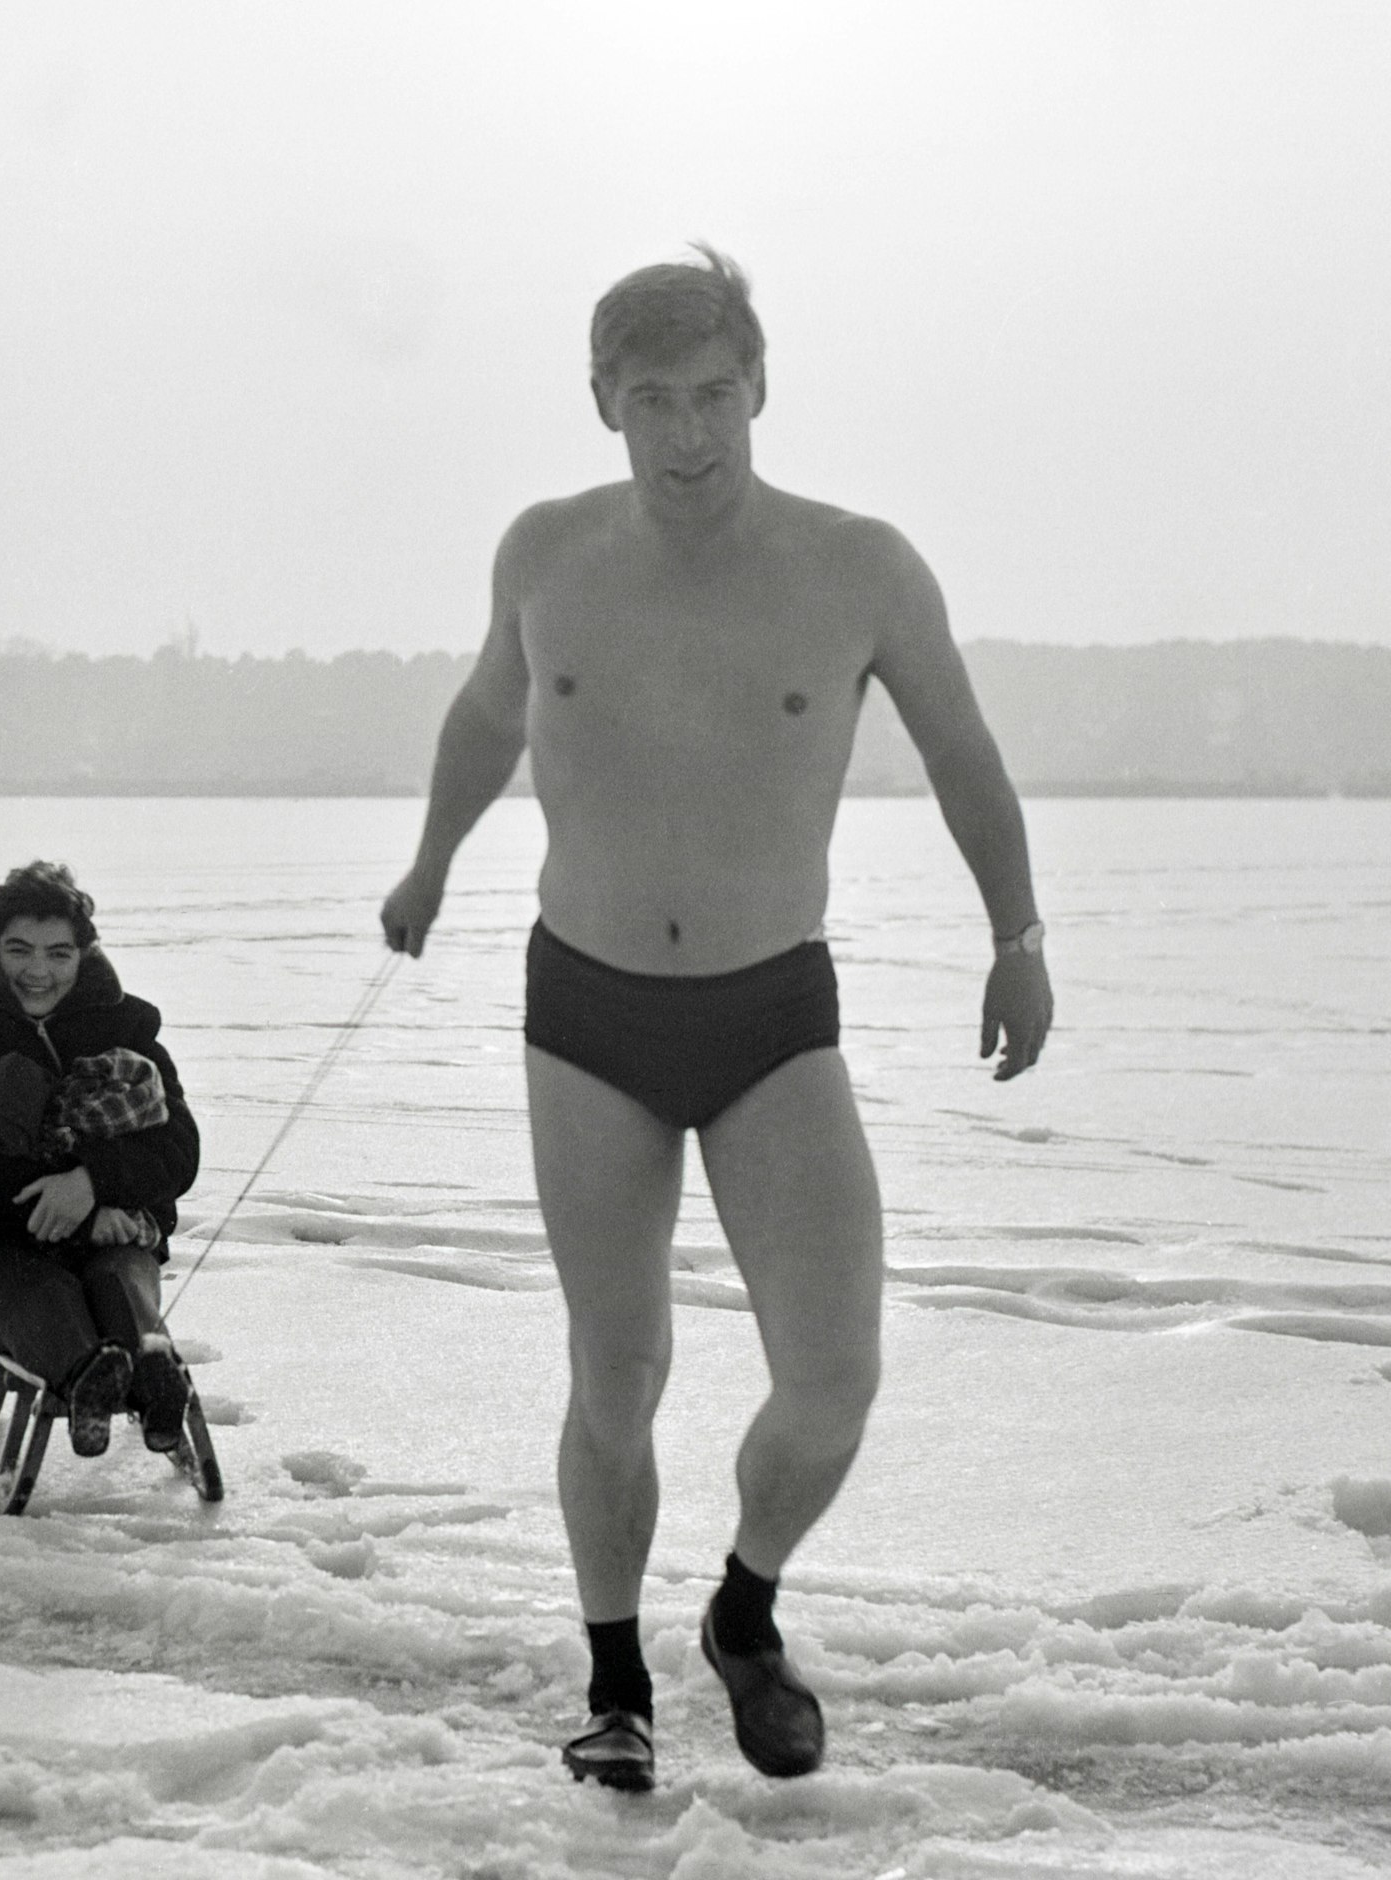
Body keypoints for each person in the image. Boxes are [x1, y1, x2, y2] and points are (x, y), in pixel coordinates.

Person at [380, 248, 1053, 1790]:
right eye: (652, 401)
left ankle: (744, 1611)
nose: (688, 434)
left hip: (770, 1014)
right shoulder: (548, 554)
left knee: (833, 1378)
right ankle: (615, 1686)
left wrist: (1017, 936)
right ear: (603, 402)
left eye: (715, 396)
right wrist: (429, 863)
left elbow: (963, 753)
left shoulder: (859, 568)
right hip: (587, 1014)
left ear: (759, 389)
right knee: (617, 1375)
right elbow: (488, 715)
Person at [0, 861, 201, 1459]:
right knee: (39, 1294)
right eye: (20, 950)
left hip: (115, 1235)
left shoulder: (128, 1027)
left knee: (119, 1282)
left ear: (83, 954)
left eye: (59, 954)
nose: (38, 972)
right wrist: (72, 1207)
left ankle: (154, 1373)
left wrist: (94, 1181)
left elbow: (177, 1148)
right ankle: (88, 1375)